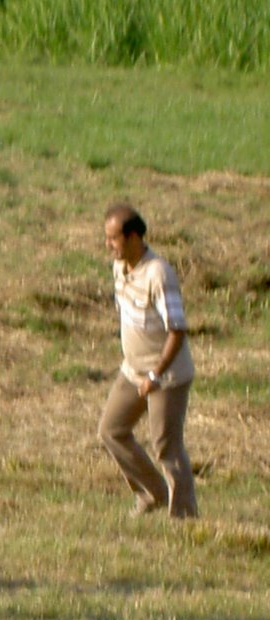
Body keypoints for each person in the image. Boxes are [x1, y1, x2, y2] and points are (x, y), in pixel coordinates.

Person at [98, 203, 198, 519]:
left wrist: (155, 374)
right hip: (133, 370)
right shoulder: (120, 267)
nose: (108, 245)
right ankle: (151, 493)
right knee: (111, 430)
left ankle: (184, 519)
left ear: (133, 237)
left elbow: (178, 330)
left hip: (165, 376)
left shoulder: (159, 274)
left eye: (113, 238)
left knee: (166, 448)